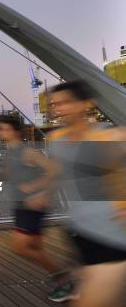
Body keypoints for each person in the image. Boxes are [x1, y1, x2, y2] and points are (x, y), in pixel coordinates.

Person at [47, 80, 126, 307]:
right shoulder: (56, 140)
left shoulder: (110, 137)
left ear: (87, 104)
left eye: (66, 103)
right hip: (78, 232)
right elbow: (58, 173)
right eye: (54, 104)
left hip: (112, 235)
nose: (58, 109)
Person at [0, 118, 74, 302]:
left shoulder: (28, 152)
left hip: (31, 206)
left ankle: (65, 279)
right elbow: (11, 176)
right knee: (36, 248)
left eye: (5, 129)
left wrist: (40, 193)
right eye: (0, 129)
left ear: (16, 132)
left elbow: (57, 172)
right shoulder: (10, 153)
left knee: (20, 247)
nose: (1, 132)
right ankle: (62, 281)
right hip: (21, 205)